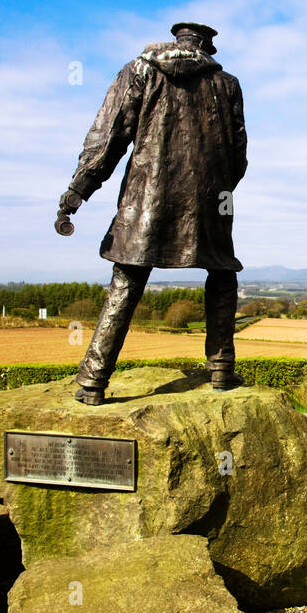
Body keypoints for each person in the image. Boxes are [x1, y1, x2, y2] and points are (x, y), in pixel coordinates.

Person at [55, 22, 248, 404]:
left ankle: (93, 380)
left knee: (126, 282)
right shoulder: (226, 84)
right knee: (222, 274)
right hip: (210, 201)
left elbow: (108, 138)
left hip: (145, 199)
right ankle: (222, 368)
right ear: (206, 46)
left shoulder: (139, 70)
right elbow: (238, 154)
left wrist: (79, 189)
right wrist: (215, 189)